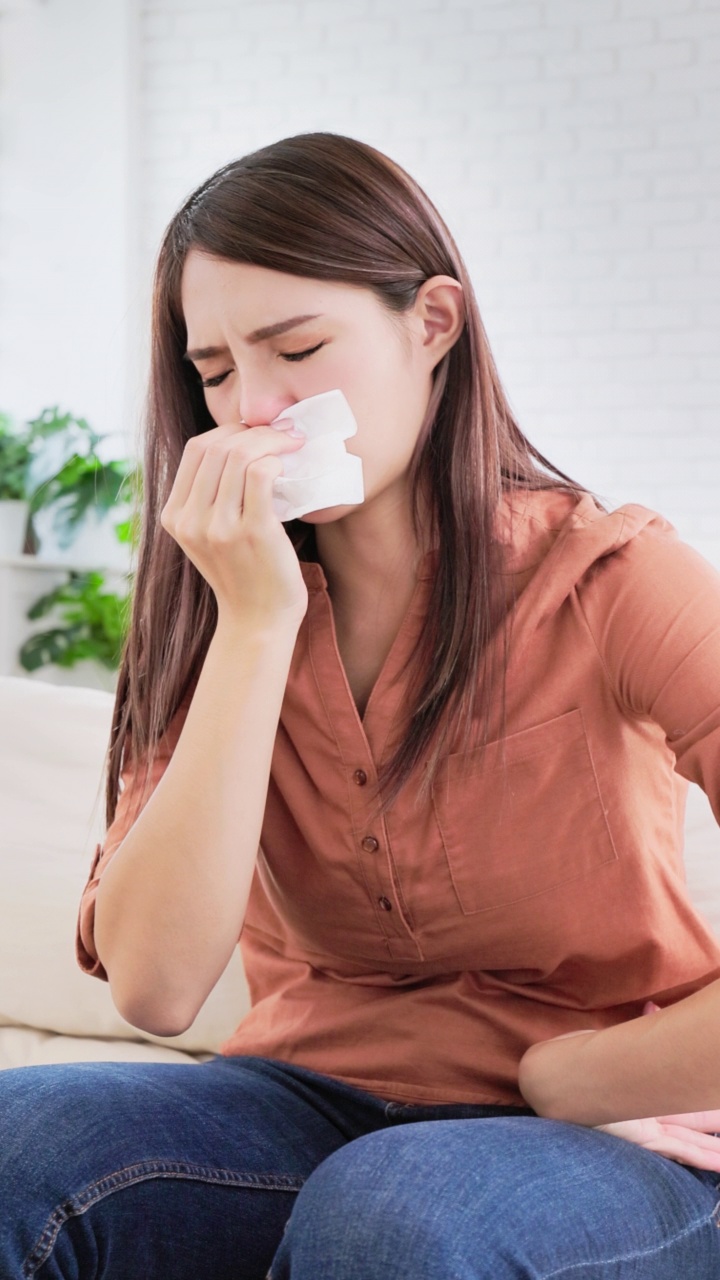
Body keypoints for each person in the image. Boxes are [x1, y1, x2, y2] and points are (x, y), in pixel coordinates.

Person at [2, 131, 720, 1280]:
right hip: (304, 1097)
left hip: (598, 1137)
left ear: (432, 324)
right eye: (219, 370)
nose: (256, 405)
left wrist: (574, 1079)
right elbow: (157, 982)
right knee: (17, 1141)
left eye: (297, 347)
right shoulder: (224, 606)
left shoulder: (615, 579)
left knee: (396, 1212)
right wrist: (254, 623)